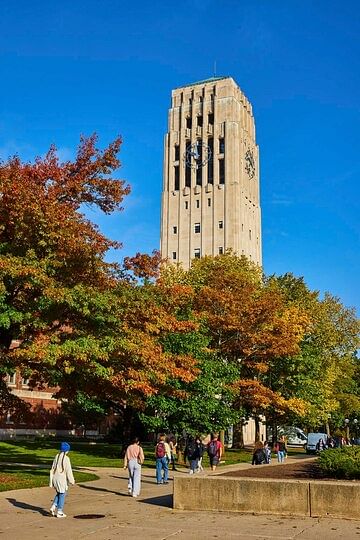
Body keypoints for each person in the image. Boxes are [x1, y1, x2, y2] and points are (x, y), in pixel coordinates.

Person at [49, 442, 75, 518]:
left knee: (59, 493)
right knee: (62, 495)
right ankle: (60, 511)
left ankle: (53, 507)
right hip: (61, 479)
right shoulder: (66, 459)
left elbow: (53, 467)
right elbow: (68, 471)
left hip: (55, 478)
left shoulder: (56, 456)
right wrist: (72, 480)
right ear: (66, 450)